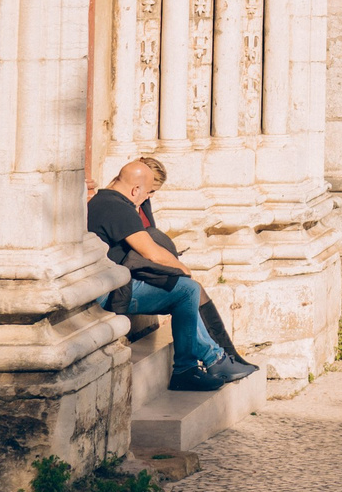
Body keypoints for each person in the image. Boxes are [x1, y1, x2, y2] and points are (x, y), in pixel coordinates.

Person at [87, 157, 255, 391]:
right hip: (110, 294)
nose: (147, 198)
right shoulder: (117, 208)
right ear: (136, 189)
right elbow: (151, 252)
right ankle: (191, 368)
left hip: (112, 285)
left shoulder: (104, 200)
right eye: (148, 193)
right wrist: (183, 270)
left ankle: (218, 359)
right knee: (187, 290)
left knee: (185, 291)